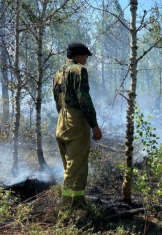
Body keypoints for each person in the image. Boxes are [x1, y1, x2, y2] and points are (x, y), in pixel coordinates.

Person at [53, 42, 102, 209]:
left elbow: (56, 100)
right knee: (76, 169)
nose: (86, 60)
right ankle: (67, 209)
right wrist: (94, 125)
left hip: (61, 120)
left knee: (69, 166)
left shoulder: (58, 73)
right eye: (85, 56)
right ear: (78, 56)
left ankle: (78, 203)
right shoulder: (79, 70)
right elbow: (84, 98)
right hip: (76, 121)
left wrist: (64, 115)